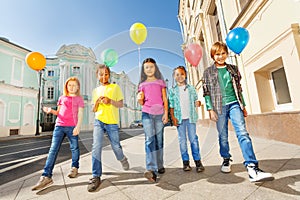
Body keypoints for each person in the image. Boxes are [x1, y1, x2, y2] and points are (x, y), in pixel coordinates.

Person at [202, 41, 274, 182]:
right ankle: (226, 158)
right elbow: (206, 92)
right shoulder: (208, 72)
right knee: (223, 135)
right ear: (212, 55)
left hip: (235, 104)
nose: (221, 56)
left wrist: (244, 106)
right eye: (217, 54)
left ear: (227, 54)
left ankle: (252, 167)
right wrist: (210, 109)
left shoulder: (233, 69)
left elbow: (239, 89)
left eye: (223, 53)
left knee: (242, 133)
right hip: (218, 107)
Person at [32, 77, 84, 190]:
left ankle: (74, 167)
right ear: (66, 86)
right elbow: (59, 112)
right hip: (59, 126)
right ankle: (46, 176)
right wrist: (50, 111)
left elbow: (80, 114)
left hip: (72, 127)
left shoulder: (79, 99)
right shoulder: (62, 98)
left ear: (78, 87)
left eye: (74, 85)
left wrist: (78, 127)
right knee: (53, 150)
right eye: (69, 85)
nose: (71, 87)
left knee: (74, 148)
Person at [87, 64, 129, 192]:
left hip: (112, 122)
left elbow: (121, 104)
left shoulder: (115, 87)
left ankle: (122, 158)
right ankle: (96, 176)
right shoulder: (95, 91)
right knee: (96, 146)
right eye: (101, 74)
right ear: (97, 75)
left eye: (106, 74)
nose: (103, 76)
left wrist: (110, 101)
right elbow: (93, 109)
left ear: (109, 75)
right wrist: (98, 103)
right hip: (99, 121)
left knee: (116, 146)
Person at [137, 58, 168, 183]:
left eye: (151, 66)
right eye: (146, 67)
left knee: (159, 141)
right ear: (144, 71)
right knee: (149, 140)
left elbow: (165, 99)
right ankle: (151, 169)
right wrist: (139, 99)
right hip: (147, 113)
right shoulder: (142, 85)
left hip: (159, 114)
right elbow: (141, 101)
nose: (149, 69)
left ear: (155, 68)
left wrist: (166, 113)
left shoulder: (161, 82)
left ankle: (159, 165)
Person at [169, 66, 205, 173]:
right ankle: (186, 162)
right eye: (177, 74)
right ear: (174, 77)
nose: (180, 76)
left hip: (190, 118)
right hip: (179, 119)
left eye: (182, 74)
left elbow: (195, 101)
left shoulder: (191, 88)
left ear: (185, 75)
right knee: (182, 141)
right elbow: (171, 106)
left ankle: (198, 162)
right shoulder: (172, 91)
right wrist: (173, 118)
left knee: (193, 139)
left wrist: (198, 103)